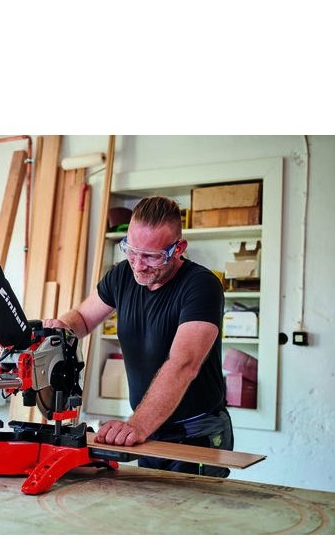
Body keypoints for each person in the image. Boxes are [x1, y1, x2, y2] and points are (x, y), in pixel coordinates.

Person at [43, 195, 234, 477]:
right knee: (149, 504)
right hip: (150, 428)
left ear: (179, 248)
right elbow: (82, 318)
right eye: (131, 251)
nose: (139, 265)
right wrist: (60, 329)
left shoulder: (202, 286)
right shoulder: (122, 275)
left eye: (151, 256)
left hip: (197, 431)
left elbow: (184, 363)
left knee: (192, 506)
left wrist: (137, 425)